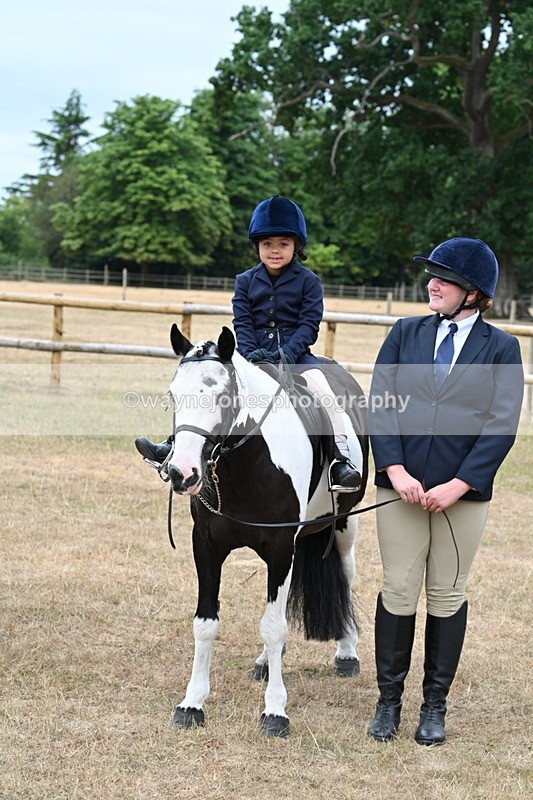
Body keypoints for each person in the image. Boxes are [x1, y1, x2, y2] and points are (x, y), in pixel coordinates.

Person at [366, 237, 524, 746]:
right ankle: (388, 701)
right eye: (431, 275)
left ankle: (434, 704)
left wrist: (459, 484)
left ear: (473, 293)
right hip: (402, 489)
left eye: (445, 278)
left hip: (462, 496)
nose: (432, 283)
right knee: (398, 589)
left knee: (447, 594)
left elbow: (502, 424)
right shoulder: (403, 333)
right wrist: (394, 469)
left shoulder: (502, 348)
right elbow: (380, 403)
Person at [135, 195, 361, 492]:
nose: (275, 251)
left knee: (323, 389)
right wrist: (252, 353)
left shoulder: (309, 282)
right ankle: (174, 446)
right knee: (206, 389)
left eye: (283, 244)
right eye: (267, 244)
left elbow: (308, 326)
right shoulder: (244, 280)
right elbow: (242, 321)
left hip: (296, 358)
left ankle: (339, 460)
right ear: (257, 246)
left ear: (296, 246)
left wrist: (283, 354)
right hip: (250, 355)